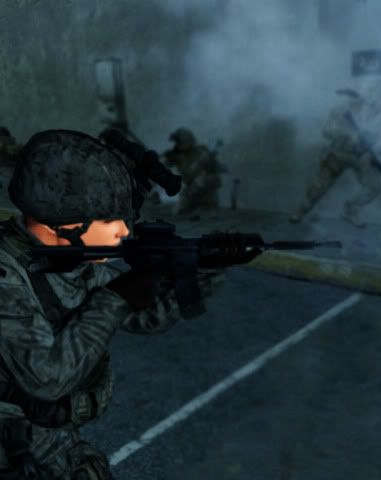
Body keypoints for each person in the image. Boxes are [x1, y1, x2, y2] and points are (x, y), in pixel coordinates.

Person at [0, 130, 223, 479]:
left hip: (48, 438)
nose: (123, 231)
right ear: (63, 223)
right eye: (108, 219)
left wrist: (205, 267)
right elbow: (47, 378)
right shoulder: (7, 277)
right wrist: (115, 297)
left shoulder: (71, 262)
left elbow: (145, 318)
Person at [289, 80, 381, 228]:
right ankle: (301, 211)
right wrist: (346, 134)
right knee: (319, 187)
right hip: (339, 152)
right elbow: (327, 130)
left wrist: (373, 152)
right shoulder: (346, 109)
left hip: (361, 157)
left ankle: (350, 210)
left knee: (374, 186)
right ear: (371, 95)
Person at [163, 128, 227, 216]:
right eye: (177, 142)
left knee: (206, 179)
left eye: (179, 142)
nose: (177, 145)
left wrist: (209, 161)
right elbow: (163, 167)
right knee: (178, 211)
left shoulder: (202, 152)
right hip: (189, 192)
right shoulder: (178, 155)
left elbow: (216, 170)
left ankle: (208, 206)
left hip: (205, 192)